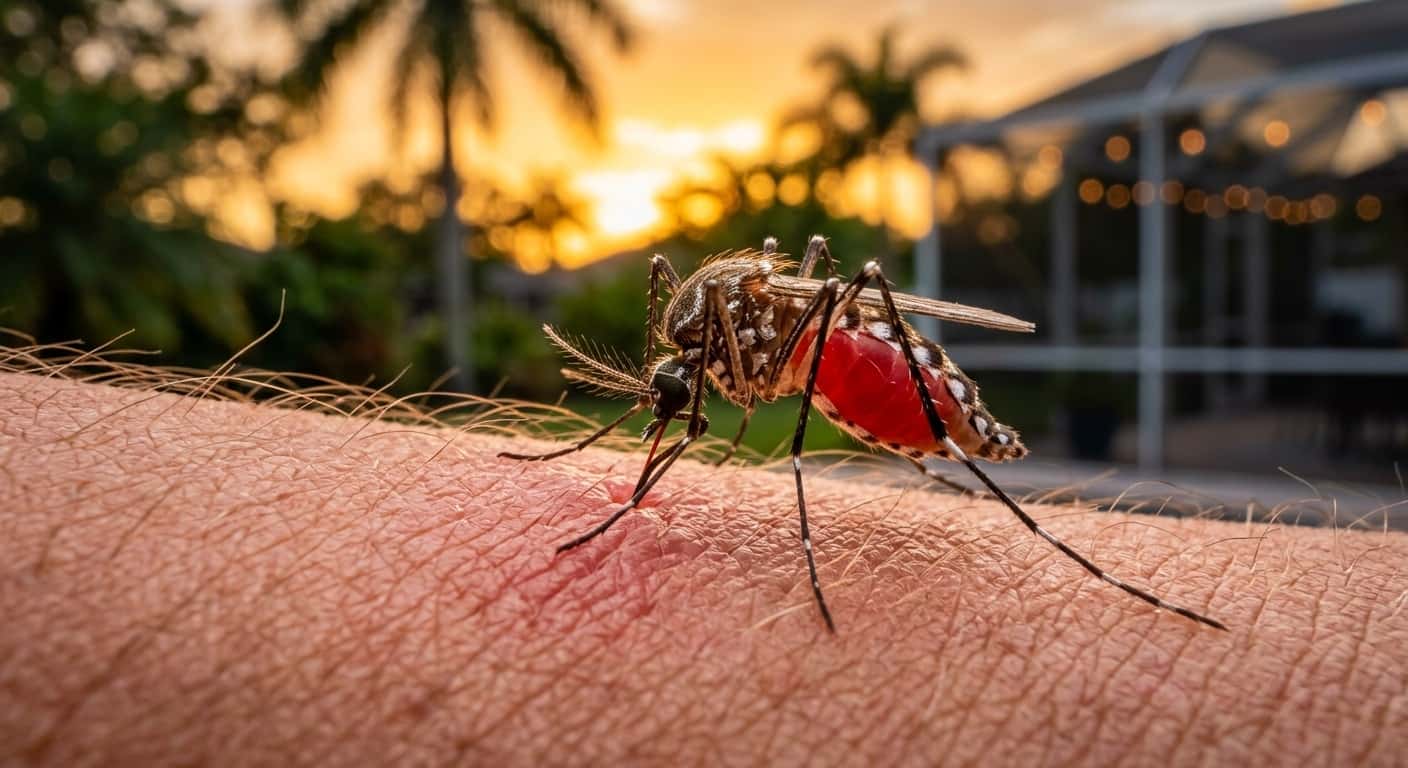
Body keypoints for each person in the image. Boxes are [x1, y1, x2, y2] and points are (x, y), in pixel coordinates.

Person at [3, 368, 1405, 766]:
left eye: (664, 400)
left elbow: (807, 333)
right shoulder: (702, 351)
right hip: (859, 367)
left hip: (882, 364)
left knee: (826, 321)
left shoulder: (756, 334)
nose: (666, 412)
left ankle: (1015, 508)